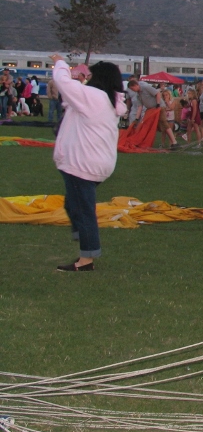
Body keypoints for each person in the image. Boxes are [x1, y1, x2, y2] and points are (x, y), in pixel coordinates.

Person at [48, 53, 126, 272]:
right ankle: (82, 238)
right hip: (97, 163)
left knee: (83, 211)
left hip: (82, 164)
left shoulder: (94, 97)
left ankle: (86, 259)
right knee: (72, 205)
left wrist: (60, 63)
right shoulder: (108, 100)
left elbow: (63, 84)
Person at [127, 77, 178, 149]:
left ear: (136, 85)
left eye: (132, 89)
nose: (133, 91)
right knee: (147, 124)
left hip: (159, 108)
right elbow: (140, 107)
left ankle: (174, 141)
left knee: (163, 122)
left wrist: (157, 104)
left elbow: (157, 93)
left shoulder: (146, 87)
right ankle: (142, 141)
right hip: (151, 110)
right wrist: (136, 118)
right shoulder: (138, 95)